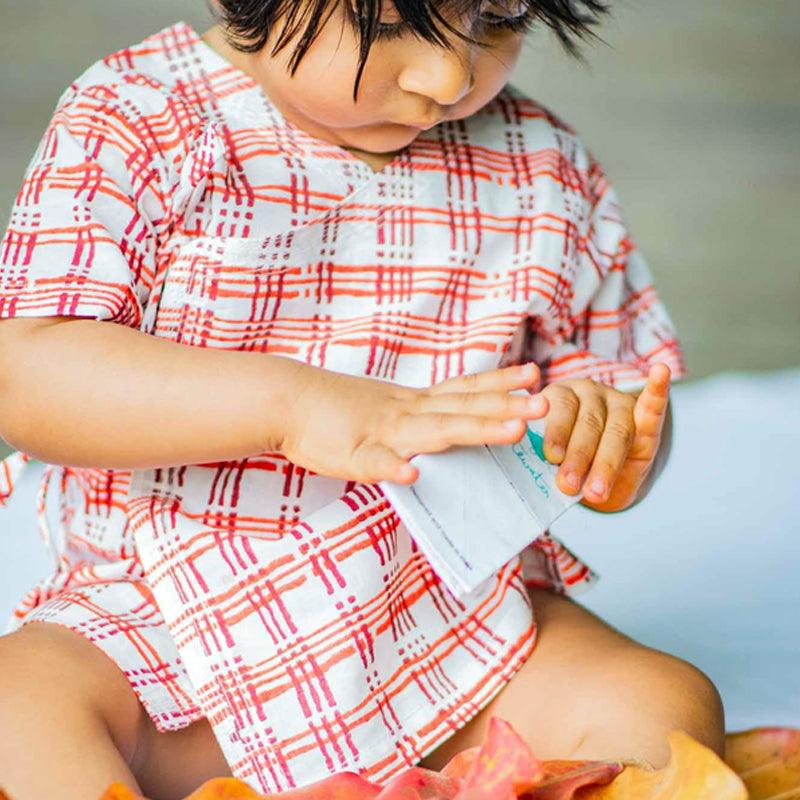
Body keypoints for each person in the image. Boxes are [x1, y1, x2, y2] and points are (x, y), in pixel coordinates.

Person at [0, 1, 724, 798]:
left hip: (453, 616)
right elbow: (30, 376)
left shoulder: (541, 164)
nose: (447, 76)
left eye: (499, 18)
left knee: (665, 700)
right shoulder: (139, 116)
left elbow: (621, 380)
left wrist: (607, 440)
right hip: (166, 623)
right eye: (384, 26)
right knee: (21, 703)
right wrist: (294, 406)